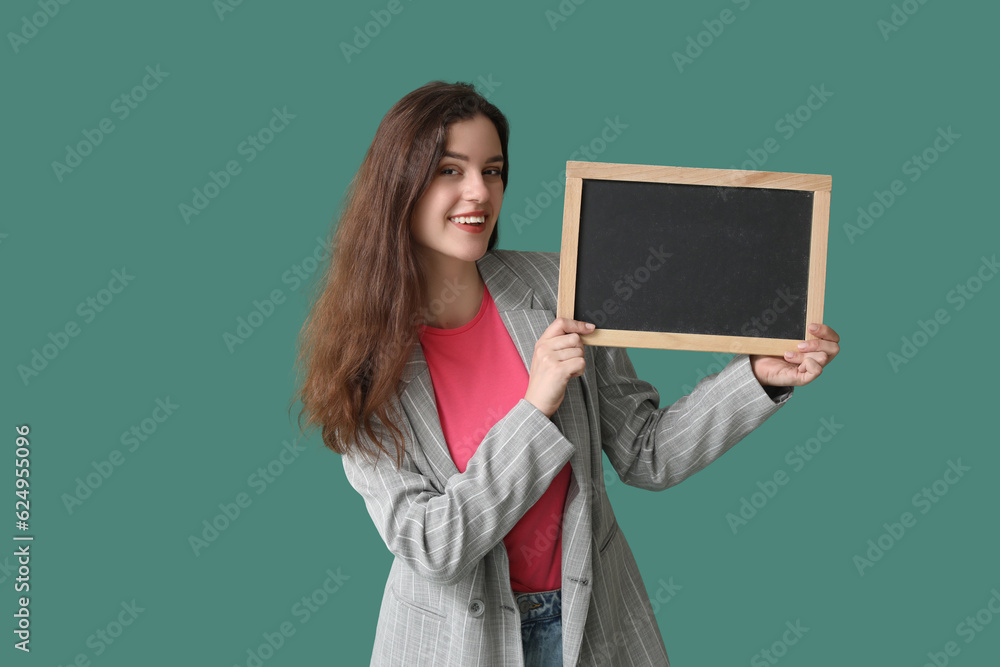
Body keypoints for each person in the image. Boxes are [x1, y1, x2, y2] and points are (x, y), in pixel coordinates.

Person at [292, 81, 841, 666]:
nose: (479, 191)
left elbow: (647, 453)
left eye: (493, 169)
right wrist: (534, 409)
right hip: (453, 647)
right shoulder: (361, 361)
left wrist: (759, 377)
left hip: (594, 628)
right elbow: (435, 545)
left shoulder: (559, 288)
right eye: (449, 170)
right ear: (398, 186)